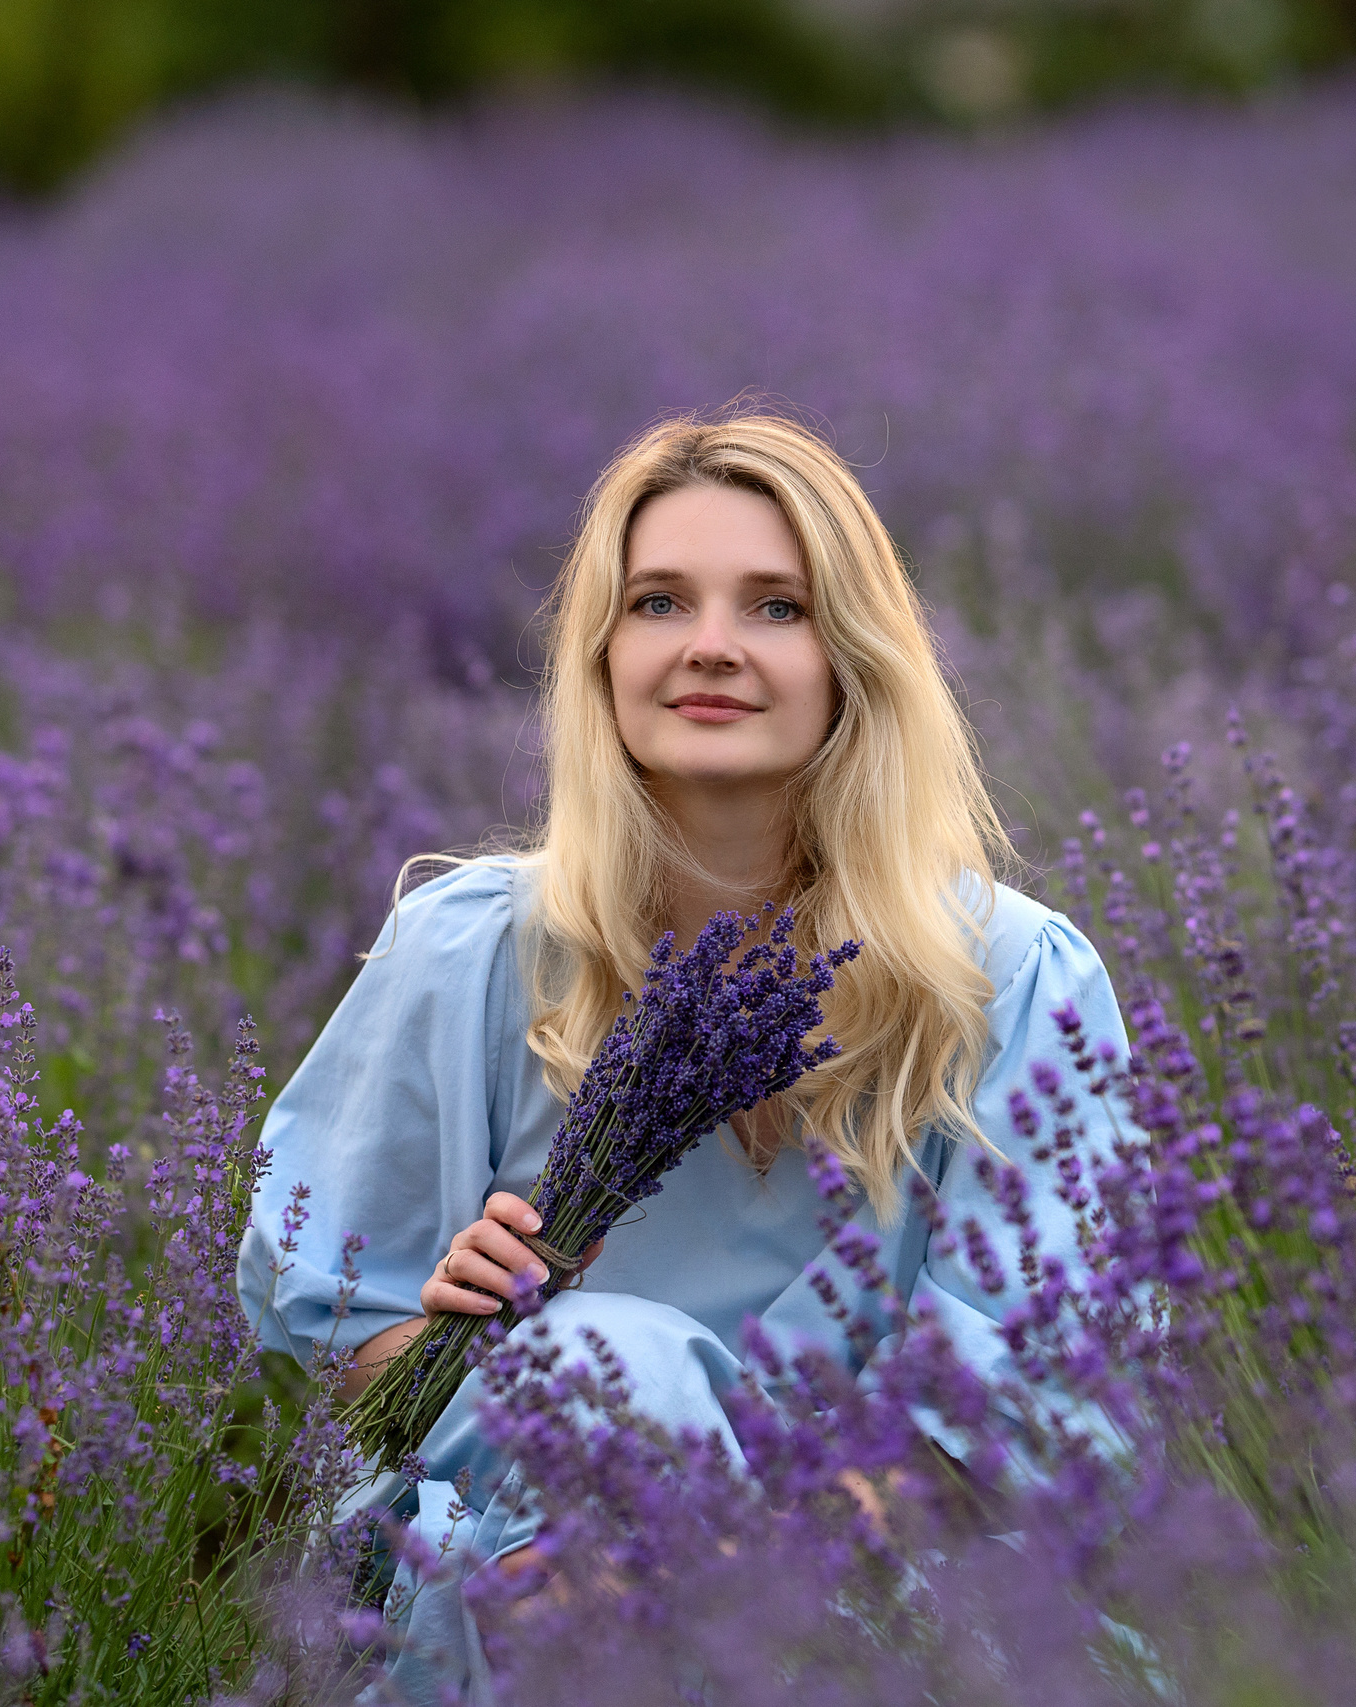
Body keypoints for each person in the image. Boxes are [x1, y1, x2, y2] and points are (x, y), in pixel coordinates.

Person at [236, 411, 1126, 1693]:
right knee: (601, 1369)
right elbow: (348, 1385)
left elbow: (1021, 1419)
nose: (710, 645)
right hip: (495, 1572)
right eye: (659, 601)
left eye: (775, 607)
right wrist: (457, 1335)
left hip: (874, 1601)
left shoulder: (1004, 979)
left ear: (853, 656)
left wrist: (691, 1569)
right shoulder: (468, 953)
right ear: (601, 653)